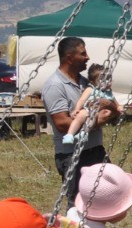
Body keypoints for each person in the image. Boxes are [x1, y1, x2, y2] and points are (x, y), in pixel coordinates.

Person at [43, 37, 119, 203]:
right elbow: (62, 124)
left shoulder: (86, 83)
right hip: (72, 155)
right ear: (69, 57)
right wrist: (98, 121)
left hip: (96, 151)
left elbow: (111, 109)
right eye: (83, 53)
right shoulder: (55, 86)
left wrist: (110, 107)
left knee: (102, 201)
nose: (88, 57)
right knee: (78, 205)